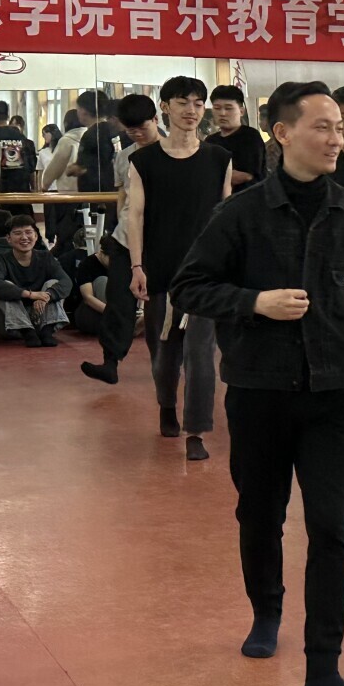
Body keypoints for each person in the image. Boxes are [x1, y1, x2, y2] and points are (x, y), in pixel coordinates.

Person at [173, 80, 344, 686]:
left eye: (340, 126)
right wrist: (255, 302)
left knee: (330, 528)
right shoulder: (241, 214)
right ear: (282, 133)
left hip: (332, 396)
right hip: (260, 394)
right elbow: (189, 287)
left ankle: (323, 670)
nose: (337, 137)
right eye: (322, 127)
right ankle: (266, 611)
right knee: (260, 515)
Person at [125, 76, 232, 461]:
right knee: (164, 352)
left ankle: (196, 430)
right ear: (165, 106)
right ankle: (167, 404)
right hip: (160, 267)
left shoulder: (218, 158)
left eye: (198, 103)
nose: (192, 110)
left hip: (205, 273)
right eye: (183, 102)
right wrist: (137, 265)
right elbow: (135, 215)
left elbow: (225, 215)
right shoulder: (144, 161)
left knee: (201, 353)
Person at [80, 94, 160, 386]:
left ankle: (165, 362)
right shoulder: (124, 156)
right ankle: (110, 361)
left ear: (156, 120)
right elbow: (122, 197)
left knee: (160, 304)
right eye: (131, 130)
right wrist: (116, 227)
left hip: (162, 241)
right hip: (126, 238)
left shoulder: (173, 153)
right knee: (119, 300)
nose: (137, 134)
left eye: (142, 127)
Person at [0, 215, 71, 346]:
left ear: (36, 236)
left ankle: (47, 331)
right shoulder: (1, 260)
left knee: (53, 284)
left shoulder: (45, 257)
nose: (24, 237)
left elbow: (66, 282)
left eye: (28, 232)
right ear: (8, 238)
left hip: (39, 318)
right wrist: (29, 294)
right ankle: (27, 332)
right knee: (5, 286)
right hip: (11, 326)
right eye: (17, 233)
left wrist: (47, 296)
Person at [205, 85, 267, 194]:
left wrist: (215, 175)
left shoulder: (250, 137)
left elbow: (247, 176)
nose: (222, 113)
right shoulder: (210, 141)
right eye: (217, 108)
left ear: (241, 111)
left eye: (228, 108)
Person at [0, 100, 37, 218]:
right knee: (23, 224)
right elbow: (32, 169)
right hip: (22, 195)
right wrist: (34, 190)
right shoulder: (23, 139)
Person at [42, 105, 86, 248]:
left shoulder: (67, 140)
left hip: (68, 196)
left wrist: (45, 184)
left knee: (66, 234)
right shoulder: (92, 136)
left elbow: (55, 167)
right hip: (91, 194)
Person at [71, 241, 111, 337]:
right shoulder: (87, 264)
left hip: (114, 310)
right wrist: (112, 312)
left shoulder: (120, 265)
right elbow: (88, 298)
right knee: (102, 281)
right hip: (90, 311)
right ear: (102, 253)